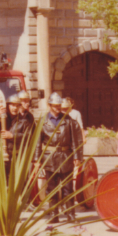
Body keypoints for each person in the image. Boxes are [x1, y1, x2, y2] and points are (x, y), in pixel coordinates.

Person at [35, 93, 82, 223]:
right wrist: (37, 160)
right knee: (51, 188)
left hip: (65, 157)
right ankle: (53, 215)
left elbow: (75, 140)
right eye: (55, 106)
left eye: (59, 106)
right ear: (49, 105)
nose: (57, 108)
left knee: (67, 188)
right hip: (49, 158)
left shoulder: (68, 120)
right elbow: (37, 143)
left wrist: (77, 156)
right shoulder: (42, 121)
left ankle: (70, 214)